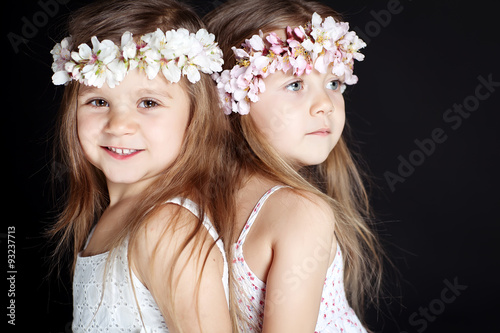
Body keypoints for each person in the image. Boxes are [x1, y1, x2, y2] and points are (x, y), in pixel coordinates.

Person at [47, 0, 233, 331]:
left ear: (196, 115)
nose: (119, 125)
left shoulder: (166, 229)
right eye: (98, 101)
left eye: (148, 102)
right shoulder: (117, 214)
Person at [204, 0, 385, 332]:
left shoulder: (194, 205)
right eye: (295, 84)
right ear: (229, 96)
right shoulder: (301, 212)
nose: (325, 105)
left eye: (333, 83)